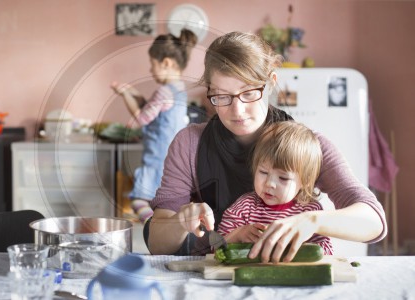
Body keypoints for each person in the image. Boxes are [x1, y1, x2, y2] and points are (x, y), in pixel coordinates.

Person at [147, 31, 386, 262]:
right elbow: (157, 244)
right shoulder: (188, 143)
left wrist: (313, 221)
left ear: (270, 83)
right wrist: (179, 221)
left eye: (249, 93)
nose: (237, 111)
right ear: (209, 91)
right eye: (221, 96)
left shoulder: (306, 147)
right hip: (211, 276)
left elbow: (373, 221)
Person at [111, 29, 198, 223]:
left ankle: (155, 225)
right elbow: (150, 108)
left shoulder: (164, 92)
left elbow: (142, 118)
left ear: (166, 63)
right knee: (165, 203)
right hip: (174, 158)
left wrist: (125, 95)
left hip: (158, 159)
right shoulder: (178, 89)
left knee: (139, 200)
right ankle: (164, 227)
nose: (150, 71)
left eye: (153, 65)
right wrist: (131, 91)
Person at [217, 121, 333, 255]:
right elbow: (216, 247)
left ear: (305, 182)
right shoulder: (244, 207)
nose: (269, 183)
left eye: (283, 178)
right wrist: (238, 234)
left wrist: (298, 246)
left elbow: (327, 251)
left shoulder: (310, 211)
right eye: (263, 172)